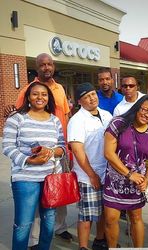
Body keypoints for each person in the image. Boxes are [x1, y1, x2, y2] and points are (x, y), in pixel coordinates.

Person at [15, 53, 72, 247]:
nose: (46, 67)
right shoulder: (26, 90)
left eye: (49, 64)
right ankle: (34, 239)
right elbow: (19, 116)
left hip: (59, 149)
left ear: (53, 66)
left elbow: (66, 116)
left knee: (59, 192)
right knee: (40, 202)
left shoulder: (60, 89)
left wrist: (66, 148)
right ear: (37, 68)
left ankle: (61, 227)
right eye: (42, 65)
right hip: (37, 156)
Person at [2, 82, 66, 250]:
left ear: (48, 98)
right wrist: (29, 160)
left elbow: (62, 147)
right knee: (23, 224)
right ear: (28, 97)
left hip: (51, 179)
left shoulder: (55, 120)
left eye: (44, 94)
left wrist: (49, 152)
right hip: (25, 178)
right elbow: (7, 146)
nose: (40, 97)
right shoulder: (17, 118)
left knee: (49, 221)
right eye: (35, 94)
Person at [103, 95, 148, 247]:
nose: (147, 114)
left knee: (136, 217)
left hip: (137, 184)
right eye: (144, 109)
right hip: (115, 181)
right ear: (137, 107)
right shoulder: (118, 123)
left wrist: (147, 179)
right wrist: (129, 174)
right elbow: (108, 153)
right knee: (111, 218)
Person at [113, 76, 148, 237]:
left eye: (131, 85)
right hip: (129, 158)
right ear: (121, 88)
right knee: (131, 189)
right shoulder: (119, 108)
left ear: (137, 86)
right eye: (124, 86)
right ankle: (132, 222)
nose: (128, 88)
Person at [67, 82, 112, 250]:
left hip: (107, 172)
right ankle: (83, 247)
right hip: (87, 176)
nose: (92, 99)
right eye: (86, 97)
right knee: (87, 215)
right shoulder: (77, 120)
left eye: (93, 94)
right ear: (80, 101)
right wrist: (92, 175)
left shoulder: (107, 115)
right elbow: (77, 151)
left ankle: (100, 240)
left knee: (103, 212)